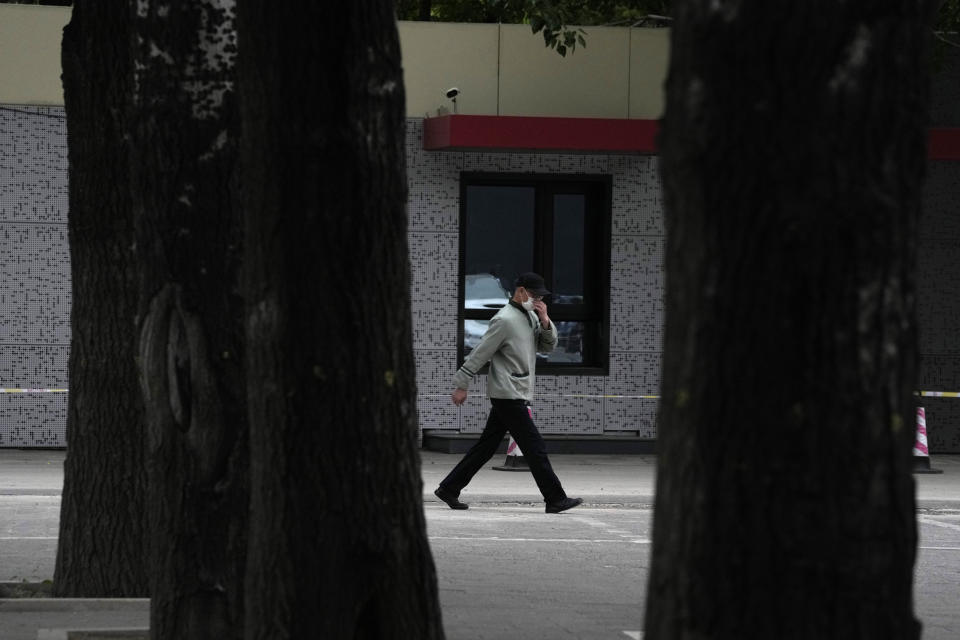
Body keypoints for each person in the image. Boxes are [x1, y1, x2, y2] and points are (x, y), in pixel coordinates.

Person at [433, 272, 583, 514]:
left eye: (541, 297)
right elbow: (480, 352)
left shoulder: (529, 316)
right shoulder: (504, 320)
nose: (538, 300)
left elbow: (548, 346)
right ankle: (555, 499)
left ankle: (449, 488)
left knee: (486, 447)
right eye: (534, 295)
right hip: (507, 392)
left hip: (515, 391)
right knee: (535, 447)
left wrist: (545, 320)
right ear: (521, 291)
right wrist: (462, 383)